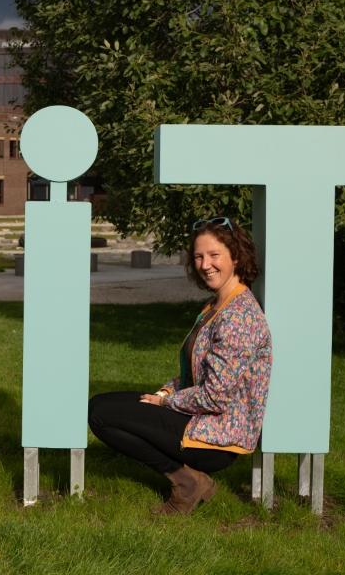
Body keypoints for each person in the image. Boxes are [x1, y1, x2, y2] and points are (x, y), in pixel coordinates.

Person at [88, 216, 272, 515]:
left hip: (217, 437)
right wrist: (164, 393)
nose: (205, 264)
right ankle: (191, 480)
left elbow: (215, 396)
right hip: (202, 417)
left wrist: (167, 403)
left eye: (214, 255)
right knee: (100, 405)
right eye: (199, 256)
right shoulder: (216, 306)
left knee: (103, 414)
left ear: (236, 257)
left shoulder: (239, 316)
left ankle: (186, 482)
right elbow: (195, 373)